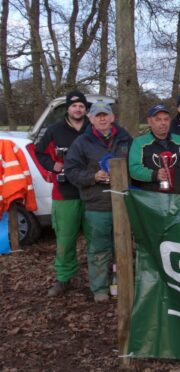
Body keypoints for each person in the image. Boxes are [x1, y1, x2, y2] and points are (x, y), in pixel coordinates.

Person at [64, 101, 132, 303]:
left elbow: (136, 164)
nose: (102, 118)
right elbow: (71, 170)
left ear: (112, 117)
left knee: (126, 246)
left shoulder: (126, 139)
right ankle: (100, 289)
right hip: (97, 204)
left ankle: (124, 284)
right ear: (91, 119)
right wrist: (94, 176)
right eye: (97, 115)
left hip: (124, 202)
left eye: (106, 115)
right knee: (99, 249)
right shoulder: (82, 143)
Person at [35, 90, 90, 297]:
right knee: (66, 239)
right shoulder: (55, 130)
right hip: (65, 192)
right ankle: (64, 277)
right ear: (67, 108)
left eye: (82, 106)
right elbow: (38, 151)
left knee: (96, 238)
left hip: (91, 191)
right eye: (74, 106)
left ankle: (98, 278)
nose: (78, 109)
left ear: (86, 109)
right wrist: (53, 165)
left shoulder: (92, 128)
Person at [129, 104, 180, 194]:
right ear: (149, 121)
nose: (163, 123)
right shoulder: (139, 143)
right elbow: (134, 169)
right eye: (158, 119)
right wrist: (154, 175)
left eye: (166, 119)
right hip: (150, 201)